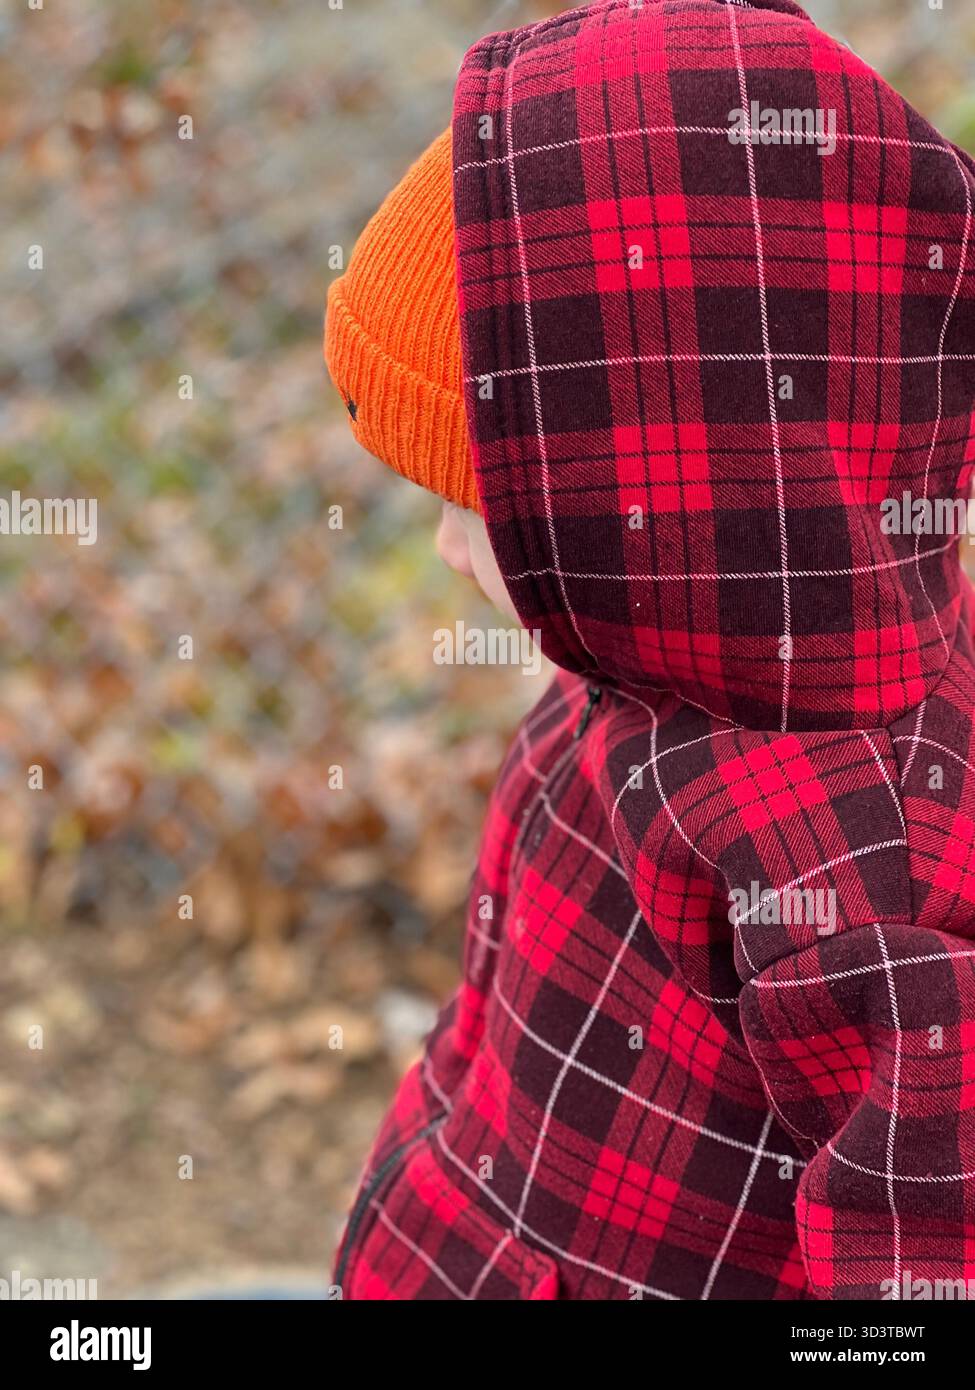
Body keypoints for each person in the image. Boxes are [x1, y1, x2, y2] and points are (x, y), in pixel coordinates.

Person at [324, 0, 975, 1299]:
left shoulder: (860, 862)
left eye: (480, 502)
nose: (452, 552)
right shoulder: (633, 662)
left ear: (660, 488)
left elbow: (916, 1267)